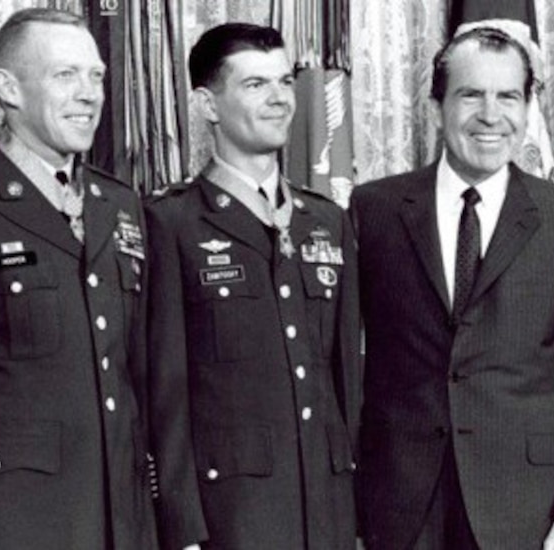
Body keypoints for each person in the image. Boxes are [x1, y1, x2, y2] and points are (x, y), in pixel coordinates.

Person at [350, 25, 554, 550]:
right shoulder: (374, 210)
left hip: (526, 508)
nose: (490, 115)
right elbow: (341, 362)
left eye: (508, 96)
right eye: (471, 94)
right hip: (398, 507)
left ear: (528, 107)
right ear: (437, 106)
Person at [145, 23, 360, 550]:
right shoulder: (170, 222)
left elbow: (347, 382)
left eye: (284, 82)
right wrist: (183, 529)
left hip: (327, 513)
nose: (280, 99)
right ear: (208, 104)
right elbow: (164, 392)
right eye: (255, 85)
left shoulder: (324, 221)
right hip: (232, 518)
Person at [0, 8, 157, 549]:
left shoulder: (119, 203)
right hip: (5, 524)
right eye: (66, 76)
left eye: (96, 77)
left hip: (118, 520)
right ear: (7, 88)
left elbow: (134, 378)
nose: (90, 94)